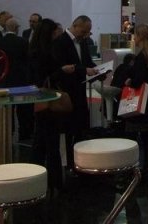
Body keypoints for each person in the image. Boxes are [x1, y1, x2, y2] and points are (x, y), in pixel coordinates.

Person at [51, 15, 98, 170]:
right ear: (75, 25)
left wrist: (98, 70)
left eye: (87, 32)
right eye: (84, 31)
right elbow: (61, 66)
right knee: (67, 128)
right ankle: (68, 162)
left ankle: (81, 161)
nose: (85, 35)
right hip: (66, 91)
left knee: (80, 126)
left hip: (80, 89)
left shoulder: (82, 41)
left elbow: (87, 61)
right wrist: (84, 70)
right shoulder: (60, 42)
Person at [123, 23, 148, 182]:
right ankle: (147, 171)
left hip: (139, 105)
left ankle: (131, 169)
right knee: (147, 139)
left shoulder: (141, 57)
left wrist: (129, 81)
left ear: (140, 36)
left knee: (131, 139)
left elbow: (137, 80)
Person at [30, 18, 65, 193]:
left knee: (40, 141)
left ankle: (36, 177)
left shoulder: (34, 50)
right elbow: (48, 76)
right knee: (51, 142)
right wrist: (62, 71)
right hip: (49, 99)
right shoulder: (47, 53)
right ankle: (54, 181)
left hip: (39, 99)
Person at [0, 18, 33, 140]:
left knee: (6, 107)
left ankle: (7, 131)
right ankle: (24, 133)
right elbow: (28, 60)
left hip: (4, 79)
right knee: (23, 109)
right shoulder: (23, 42)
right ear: (16, 28)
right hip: (20, 80)